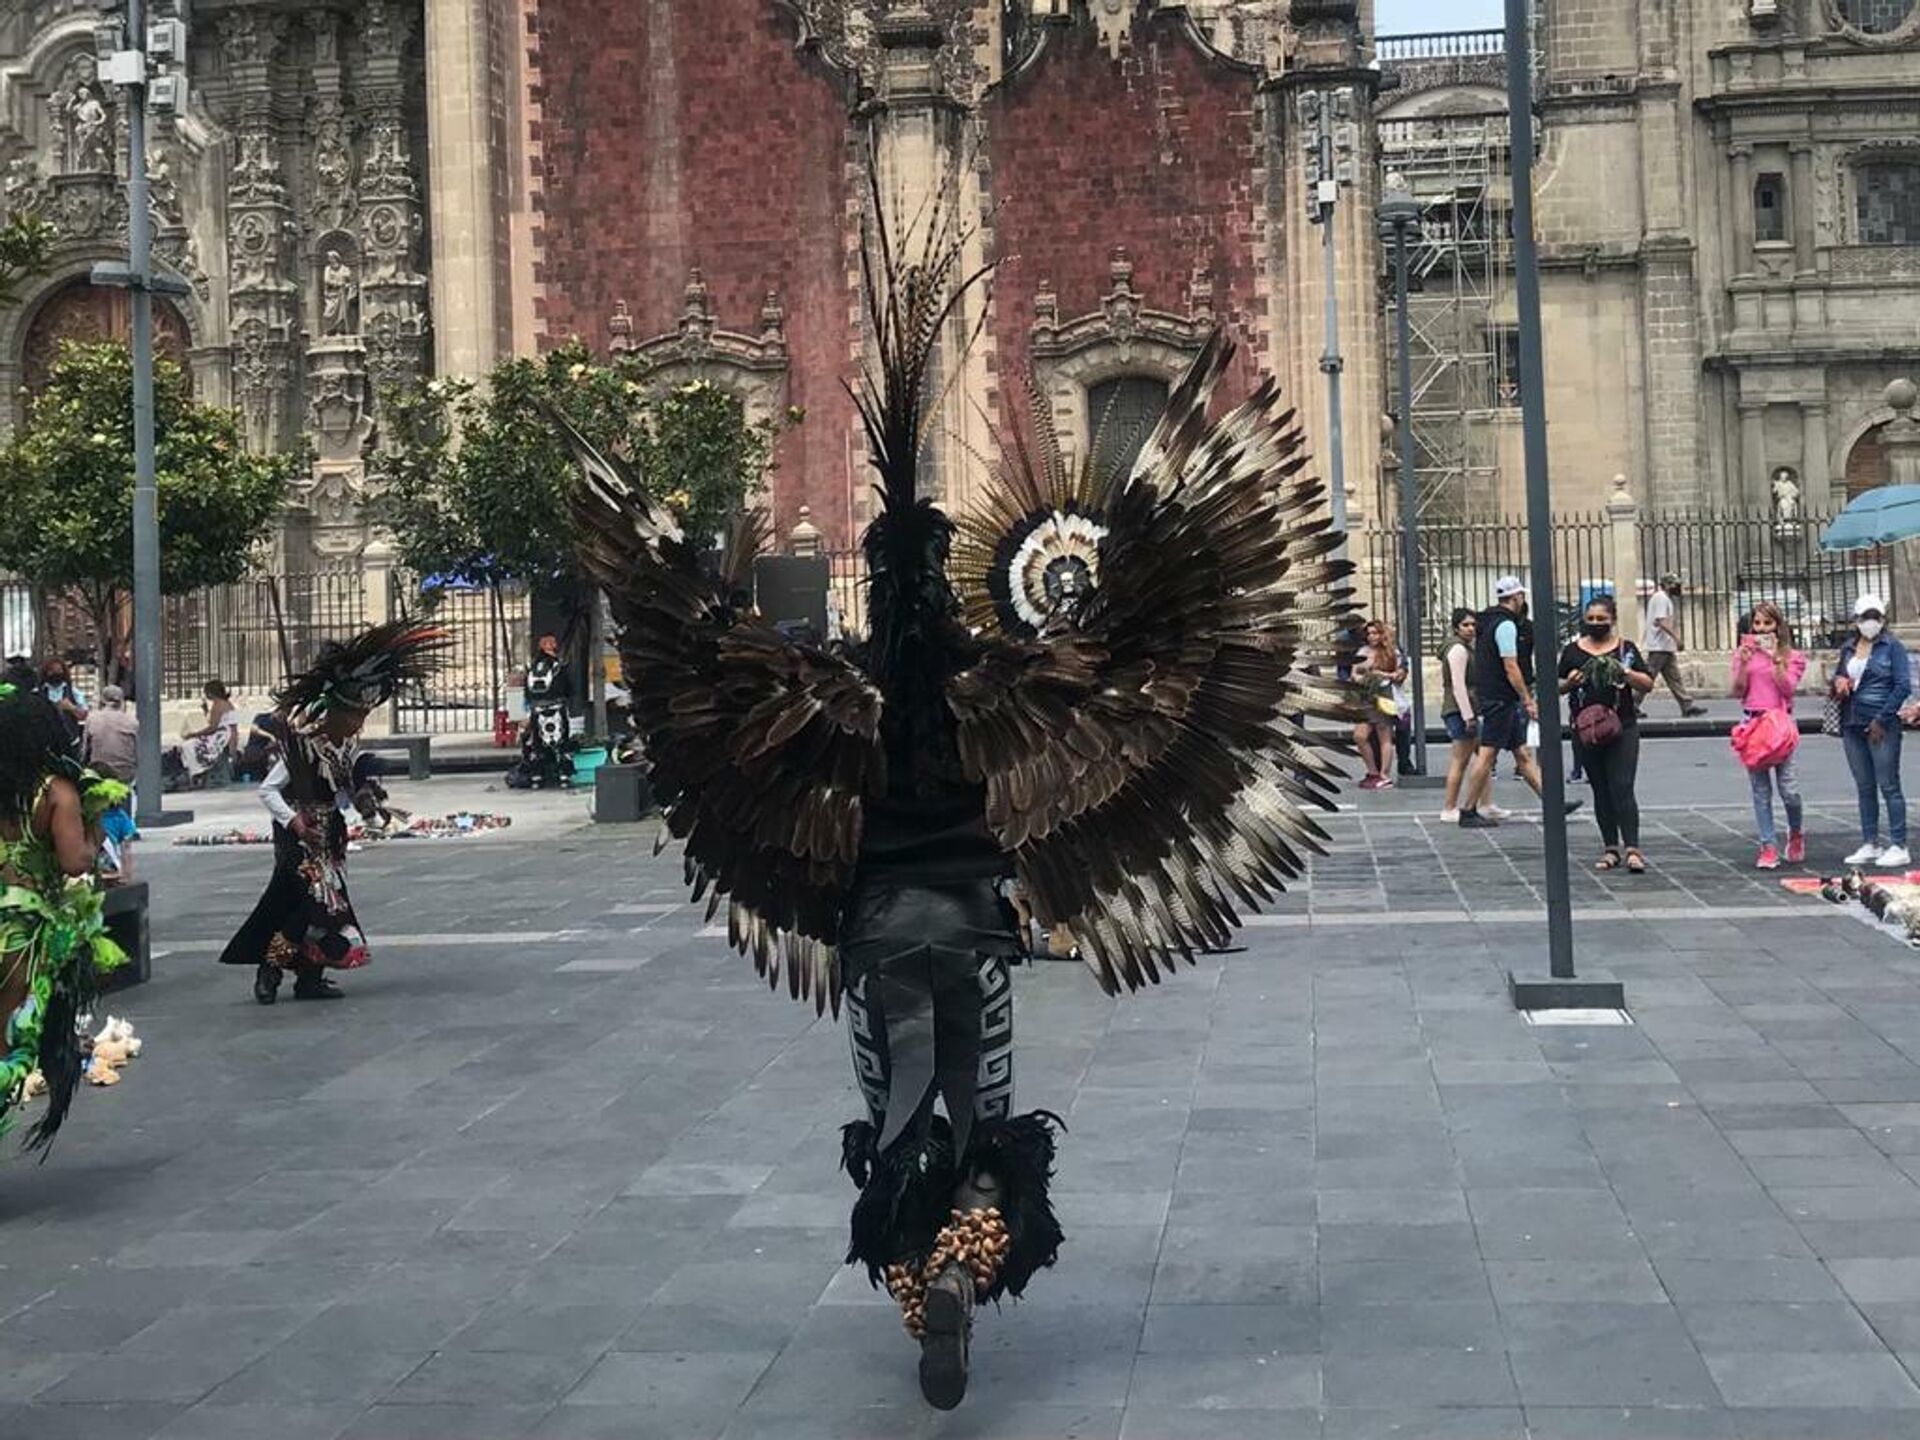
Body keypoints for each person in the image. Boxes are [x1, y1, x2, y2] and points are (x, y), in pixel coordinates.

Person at [557, 287, 1353, 1410]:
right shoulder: (1013, 695)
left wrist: (660, 565)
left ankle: (923, 1287)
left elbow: (696, 686)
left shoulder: (824, 708)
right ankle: (966, 1263)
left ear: (875, 594)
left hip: (876, 941)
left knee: (891, 1126)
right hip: (979, 936)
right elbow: (1172, 661)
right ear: (949, 584)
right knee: (986, 1117)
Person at [218, 623, 447, 1004]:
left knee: (322, 913)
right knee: (312, 907)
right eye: (353, 715)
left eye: (362, 716)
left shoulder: (346, 748)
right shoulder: (305, 745)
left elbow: (346, 787)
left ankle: (309, 977)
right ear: (336, 711)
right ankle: (270, 968)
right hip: (300, 839)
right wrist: (293, 820)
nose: (358, 723)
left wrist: (365, 800)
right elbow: (268, 790)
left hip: (331, 837)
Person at [0, 683, 128, 1152]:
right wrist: (94, 836)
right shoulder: (56, 791)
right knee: (10, 1042)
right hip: (22, 934)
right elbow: (75, 861)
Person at [1459, 576, 1580, 828]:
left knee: (1522, 754)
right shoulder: (1506, 626)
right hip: (1501, 698)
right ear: (1517, 597)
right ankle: (1468, 810)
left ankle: (1553, 803)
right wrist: (1526, 699)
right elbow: (1510, 665)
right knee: (1487, 754)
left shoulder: (1487, 621)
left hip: (1495, 695)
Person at [1559, 595, 1654, 873]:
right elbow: (1556, 685)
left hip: (1621, 726)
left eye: (1601, 619)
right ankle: (1610, 847)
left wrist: (1626, 674)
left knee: (1622, 786)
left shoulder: (1625, 649)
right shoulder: (1572, 651)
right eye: (1591, 619)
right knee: (1600, 788)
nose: (1596, 623)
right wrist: (1569, 683)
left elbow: (1647, 683)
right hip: (1586, 730)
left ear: (1612, 620)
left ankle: (1633, 848)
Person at [1832, 593, 1912, 869]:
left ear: (1883, 619)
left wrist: (1882, 717)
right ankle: (1870, 842)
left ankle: (1899, 844)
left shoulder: (1892, 647)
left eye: (1875, 617)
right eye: (1865, 617)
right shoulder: (1848, 648)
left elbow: (1902, 686)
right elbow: (1838, 677)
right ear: (1856, 620)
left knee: (1889, 784)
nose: (1870, 622)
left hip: (1882, 725)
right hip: (1852, 722)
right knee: (1865, 786)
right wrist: (1839, 683)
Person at [1731, 601, 1808, 870]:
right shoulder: (1745, 654)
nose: (1761, 629)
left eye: (1768, 623)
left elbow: (1788, 689)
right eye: (1758, 623)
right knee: (1760, 790)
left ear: (1778, 626)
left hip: (1779, 723)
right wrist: (1741, 663)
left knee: (1789, 790)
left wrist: (1777, 661)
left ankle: (1795, 831)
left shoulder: (1793, 656)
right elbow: (1738, 690)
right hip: (1753, 722)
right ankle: (1768, 845)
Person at [82, 685, 140, 880]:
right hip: (125, 774)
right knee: (125, 805)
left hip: (98, 772)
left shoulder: (92, 719)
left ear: (102, 700)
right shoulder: (131, 721)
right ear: (122, 702)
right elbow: (136, 751)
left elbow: (84, 750)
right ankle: (126, 831)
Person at [512, 634, 575, 789]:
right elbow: (568, 688)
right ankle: (563, 776)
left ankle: (537, 776)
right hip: (557, 708)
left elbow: (527, 692)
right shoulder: (558, 666)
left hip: (537, 710)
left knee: (537, 743)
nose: (550, 645)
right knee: (560, 741)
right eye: (548, 642)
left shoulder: (533, 666)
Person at [1352, 618, 1408, 791]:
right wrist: (1363, 677)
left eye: (1375, 633)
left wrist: (1380, 674)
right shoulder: (1363, 651)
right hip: (1366, 698)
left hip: (1384, 697)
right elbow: (1354, 674)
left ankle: (1384, 775)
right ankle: (1373, 771)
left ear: (1382, 634)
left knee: (1385, 736)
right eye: (1368, 633)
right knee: (1360, 736)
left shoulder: (1392, 653)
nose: (1371, 637)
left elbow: (1399, 675)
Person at [1642, 573, 1708, 718]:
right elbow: (1661, 621)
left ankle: (1686, 705)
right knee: (1647, 678)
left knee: (1674, 678)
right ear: (1666, 585)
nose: (1677, 587)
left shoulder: (1664, 598)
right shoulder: (1661, 598)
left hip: (1664, 646)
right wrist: (1677, 639)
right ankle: (1632, 705)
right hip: (1658, 646)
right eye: (1674, 584)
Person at [1438, 607, 1478, 822]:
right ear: (1456, 627)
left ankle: (1485, 803)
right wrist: (1468, 715)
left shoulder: (1465, 648)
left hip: (1465, 708)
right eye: (1465, 625)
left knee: (1482, 759)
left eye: (1473, 624)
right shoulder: (1458, 650)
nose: (1470, 628)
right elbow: (1458, 685)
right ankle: (1449, 807)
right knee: (1460, 760)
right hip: (1459, 709)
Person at [171, 678, 240, 786]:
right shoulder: (227, 703)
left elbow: (212, 728)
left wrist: (193, 734)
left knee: (188, 745)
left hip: (220, 737)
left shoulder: (217, 705)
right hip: (225, 735)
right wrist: (206, 711)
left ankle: (196, 773)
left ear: (211, 693)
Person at [38, 658, 87, 744]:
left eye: (58, 670)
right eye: (51, 671)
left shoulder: (73, 691)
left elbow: (83, 716)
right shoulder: (38, 693)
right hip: (46, 743)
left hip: (71, 742)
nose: (55, 673)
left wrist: (71, 708)